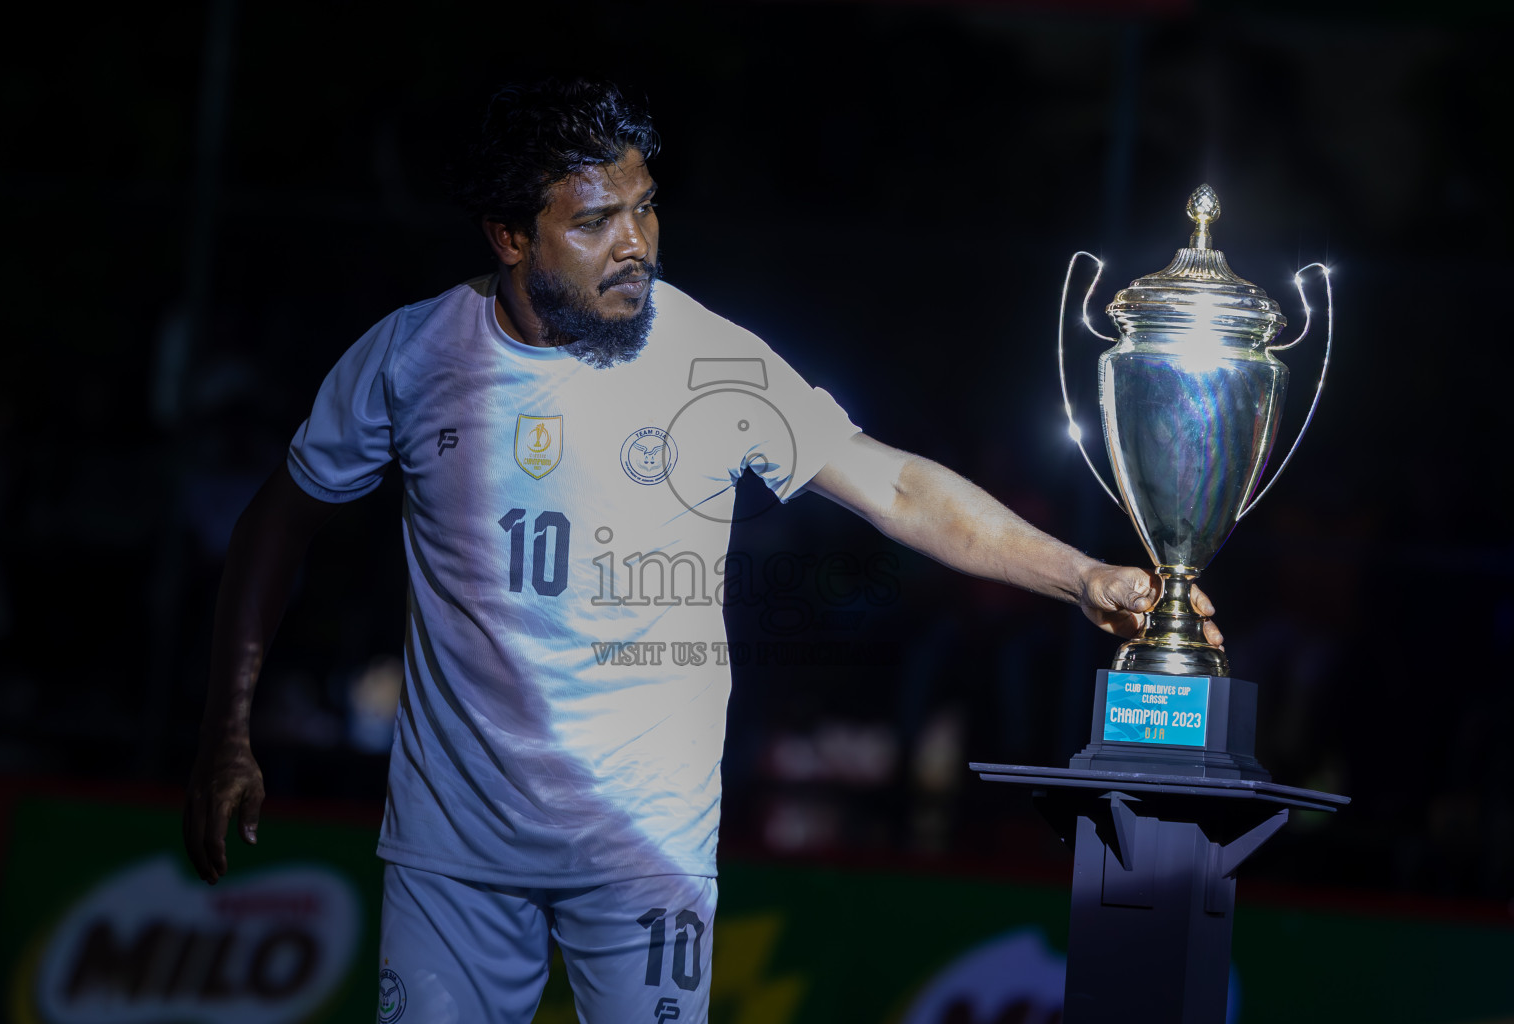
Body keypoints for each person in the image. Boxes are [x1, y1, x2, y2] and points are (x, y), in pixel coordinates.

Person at [182, 78, 1223, 1024]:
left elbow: (896, 483)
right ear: (508, 235)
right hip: (455, 853)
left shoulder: (709, 357)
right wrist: (229, 727)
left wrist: (1083, 574)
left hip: (646, 852)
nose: (634, 240)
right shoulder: (409, 357)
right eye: (594, 220)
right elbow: (279, 518)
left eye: (644, 206)